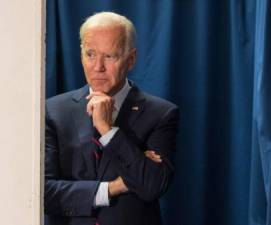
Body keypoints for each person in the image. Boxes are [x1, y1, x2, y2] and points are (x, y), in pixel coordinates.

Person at [45, 11, 179, 225]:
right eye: (90, 54)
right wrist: (113, 187)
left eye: (110, 56)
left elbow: (152, 186)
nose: (98, 67)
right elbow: (44, 194)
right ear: (81, 55)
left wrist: (107, 130)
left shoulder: (161, 113)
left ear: (131, 59)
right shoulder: (52, 111)